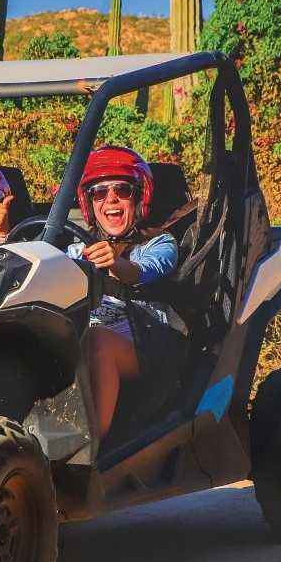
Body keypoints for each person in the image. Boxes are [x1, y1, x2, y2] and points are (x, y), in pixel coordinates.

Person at [68, 146, 178, 439]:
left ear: (141, 198)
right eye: (99, 193)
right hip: (83, 341)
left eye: (123, 190)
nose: (111, 199)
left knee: (98, 339)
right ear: (89, 203)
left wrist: (116, 263)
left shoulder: (159, 243)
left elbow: (141, 272)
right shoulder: (78, 248)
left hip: (146, 348)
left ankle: (92, 448)